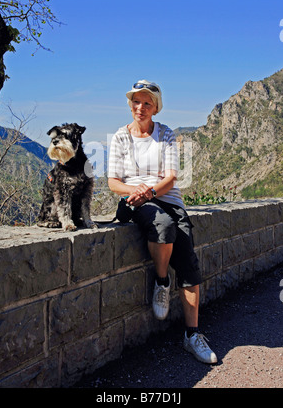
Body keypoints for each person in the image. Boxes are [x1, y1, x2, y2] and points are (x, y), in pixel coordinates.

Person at [108, 80, 217, 364]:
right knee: (162, 226)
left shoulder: (166, 134)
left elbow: (170, 178)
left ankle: (192, 336)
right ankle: (161, 281)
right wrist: (138, 192)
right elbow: (113, 182)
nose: (140, 107)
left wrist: (151, 191)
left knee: (189, 264)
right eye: (136, 101)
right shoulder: (120, 137)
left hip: (166, 198)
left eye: (146, 102)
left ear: (156, 107)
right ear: (130, 104)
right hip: (135, 202)